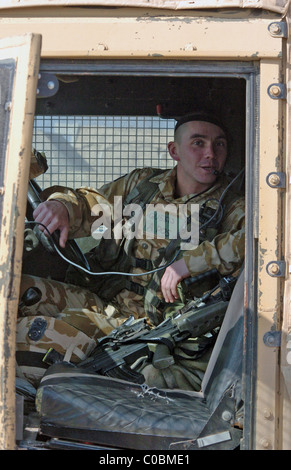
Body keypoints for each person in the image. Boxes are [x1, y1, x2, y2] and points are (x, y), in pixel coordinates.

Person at [19, 112, 245, 390]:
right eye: (198, 143)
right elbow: (95, 204)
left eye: (219, 145)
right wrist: (64, 207)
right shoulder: (143, 187)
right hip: (107, 303)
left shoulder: (231, 207)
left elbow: (258, 241)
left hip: (155, 334)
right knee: (16, 289)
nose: (210, 153)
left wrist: (191, 263)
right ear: (174, 151)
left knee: (37, 342)